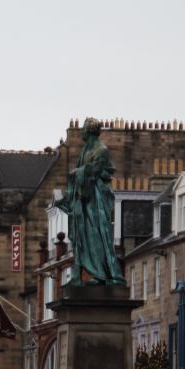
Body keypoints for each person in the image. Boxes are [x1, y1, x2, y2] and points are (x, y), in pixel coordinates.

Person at [55, 117, 125, 286]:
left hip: (95, 200)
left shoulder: (102, 150)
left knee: (96, 237)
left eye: (84, 130)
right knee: (79, 237)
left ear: (89, 131)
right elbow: (82, 172)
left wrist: (77, 173)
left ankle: (102, 274)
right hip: (83, 199)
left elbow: (94, 171)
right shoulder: (86, 150)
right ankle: (77, 277)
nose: (81, 133)